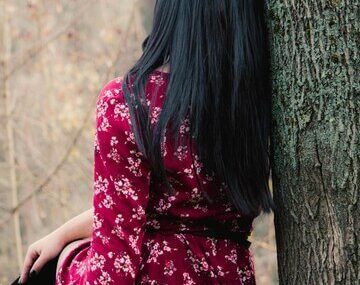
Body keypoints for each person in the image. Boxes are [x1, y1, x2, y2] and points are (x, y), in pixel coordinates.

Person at [18, 0, 275, 284]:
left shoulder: (131, 104)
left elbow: (112, 273)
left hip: (153, 275)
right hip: (230, 275)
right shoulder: (259, 109)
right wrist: (64, 233)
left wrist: (61, 263)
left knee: (38, 273)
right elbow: (161, 209)